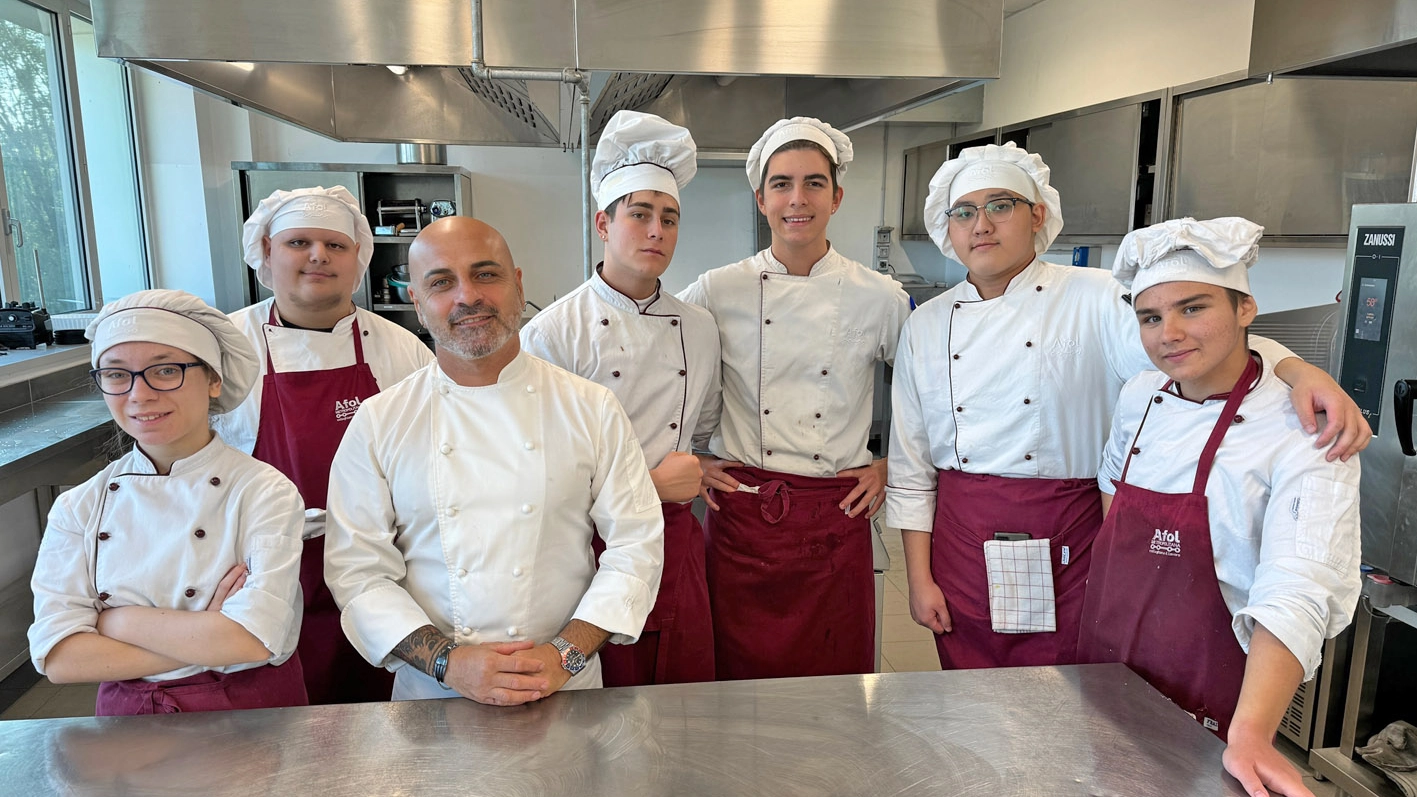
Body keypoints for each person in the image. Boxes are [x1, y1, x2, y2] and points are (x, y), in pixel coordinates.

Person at [887, 143, 1369, 672]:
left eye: (1000, 205)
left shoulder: (1095, 298)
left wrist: (1298, 370)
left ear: (1038, 215)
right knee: (968, 695)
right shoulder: (926, 324)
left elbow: (1192, 353)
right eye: (964, 212)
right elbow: (911, 467)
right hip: (959, 541)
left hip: (1070, 537)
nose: (982, 225)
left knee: (1064, 696)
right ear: (948, 228)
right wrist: (918, 577)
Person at [323, 216, 664, 705]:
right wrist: (449, 663)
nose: (467, 296)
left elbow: (637, 546)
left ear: (518, 285)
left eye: (486, 274)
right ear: (417, 304)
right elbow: (358, 573)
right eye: (441, 282)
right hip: (432, 699)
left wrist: (564, 656)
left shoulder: (591, 408)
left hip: (566, 687)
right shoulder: (380, 421)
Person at [1079, 217, 1360, 797]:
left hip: (1217, 689)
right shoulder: (1139, 396)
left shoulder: (1304, 426)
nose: (1169, 334)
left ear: (1245, 310)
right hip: (1109, 665)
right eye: (1150, 318)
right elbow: (1113, 494)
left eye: (1193, 308)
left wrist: (1253, 731)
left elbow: (1299, 585)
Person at [679, 117, 912, 680]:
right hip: (743, 511)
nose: (797, 199)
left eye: (813, 183)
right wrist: (695, 457)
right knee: (735, 679)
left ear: (837, 195)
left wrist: (891, 464)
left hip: (834, 514)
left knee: (833, 681)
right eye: (781, 184)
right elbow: (664, 363)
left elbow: (928, 394)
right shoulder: (717, 289)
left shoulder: (878, 296)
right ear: (760, 198)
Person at [29, 289, 307, 715]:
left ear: (214, 380)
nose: (139, 395)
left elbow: (252, 639)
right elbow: (60, 658)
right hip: (129, 721)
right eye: (117, 375)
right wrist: (207, 638)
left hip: (251, 713)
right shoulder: (79, 507)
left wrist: (117, 622)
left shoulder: (264, 492)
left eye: (165, 370)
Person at [521, 110, 721, 686]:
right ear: (603, 223)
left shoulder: (700, 327)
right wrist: (647, 486)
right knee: (603, 698)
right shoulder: (553, 332)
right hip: (585, 543)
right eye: (640, 214)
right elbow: (536, 465)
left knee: (679, 687)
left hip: (676, 534)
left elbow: (702, 431)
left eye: (669, 218)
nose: (657, 231)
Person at [217, 185, 434, 704]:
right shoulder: (227, 348)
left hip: (378, 566)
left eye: (335, 245)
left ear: (358, 258)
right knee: (276, 724)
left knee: (379, 718)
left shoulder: (400, 350)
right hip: (260, 570)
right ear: (266, 252)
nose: (318, 256)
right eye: (299, 242)